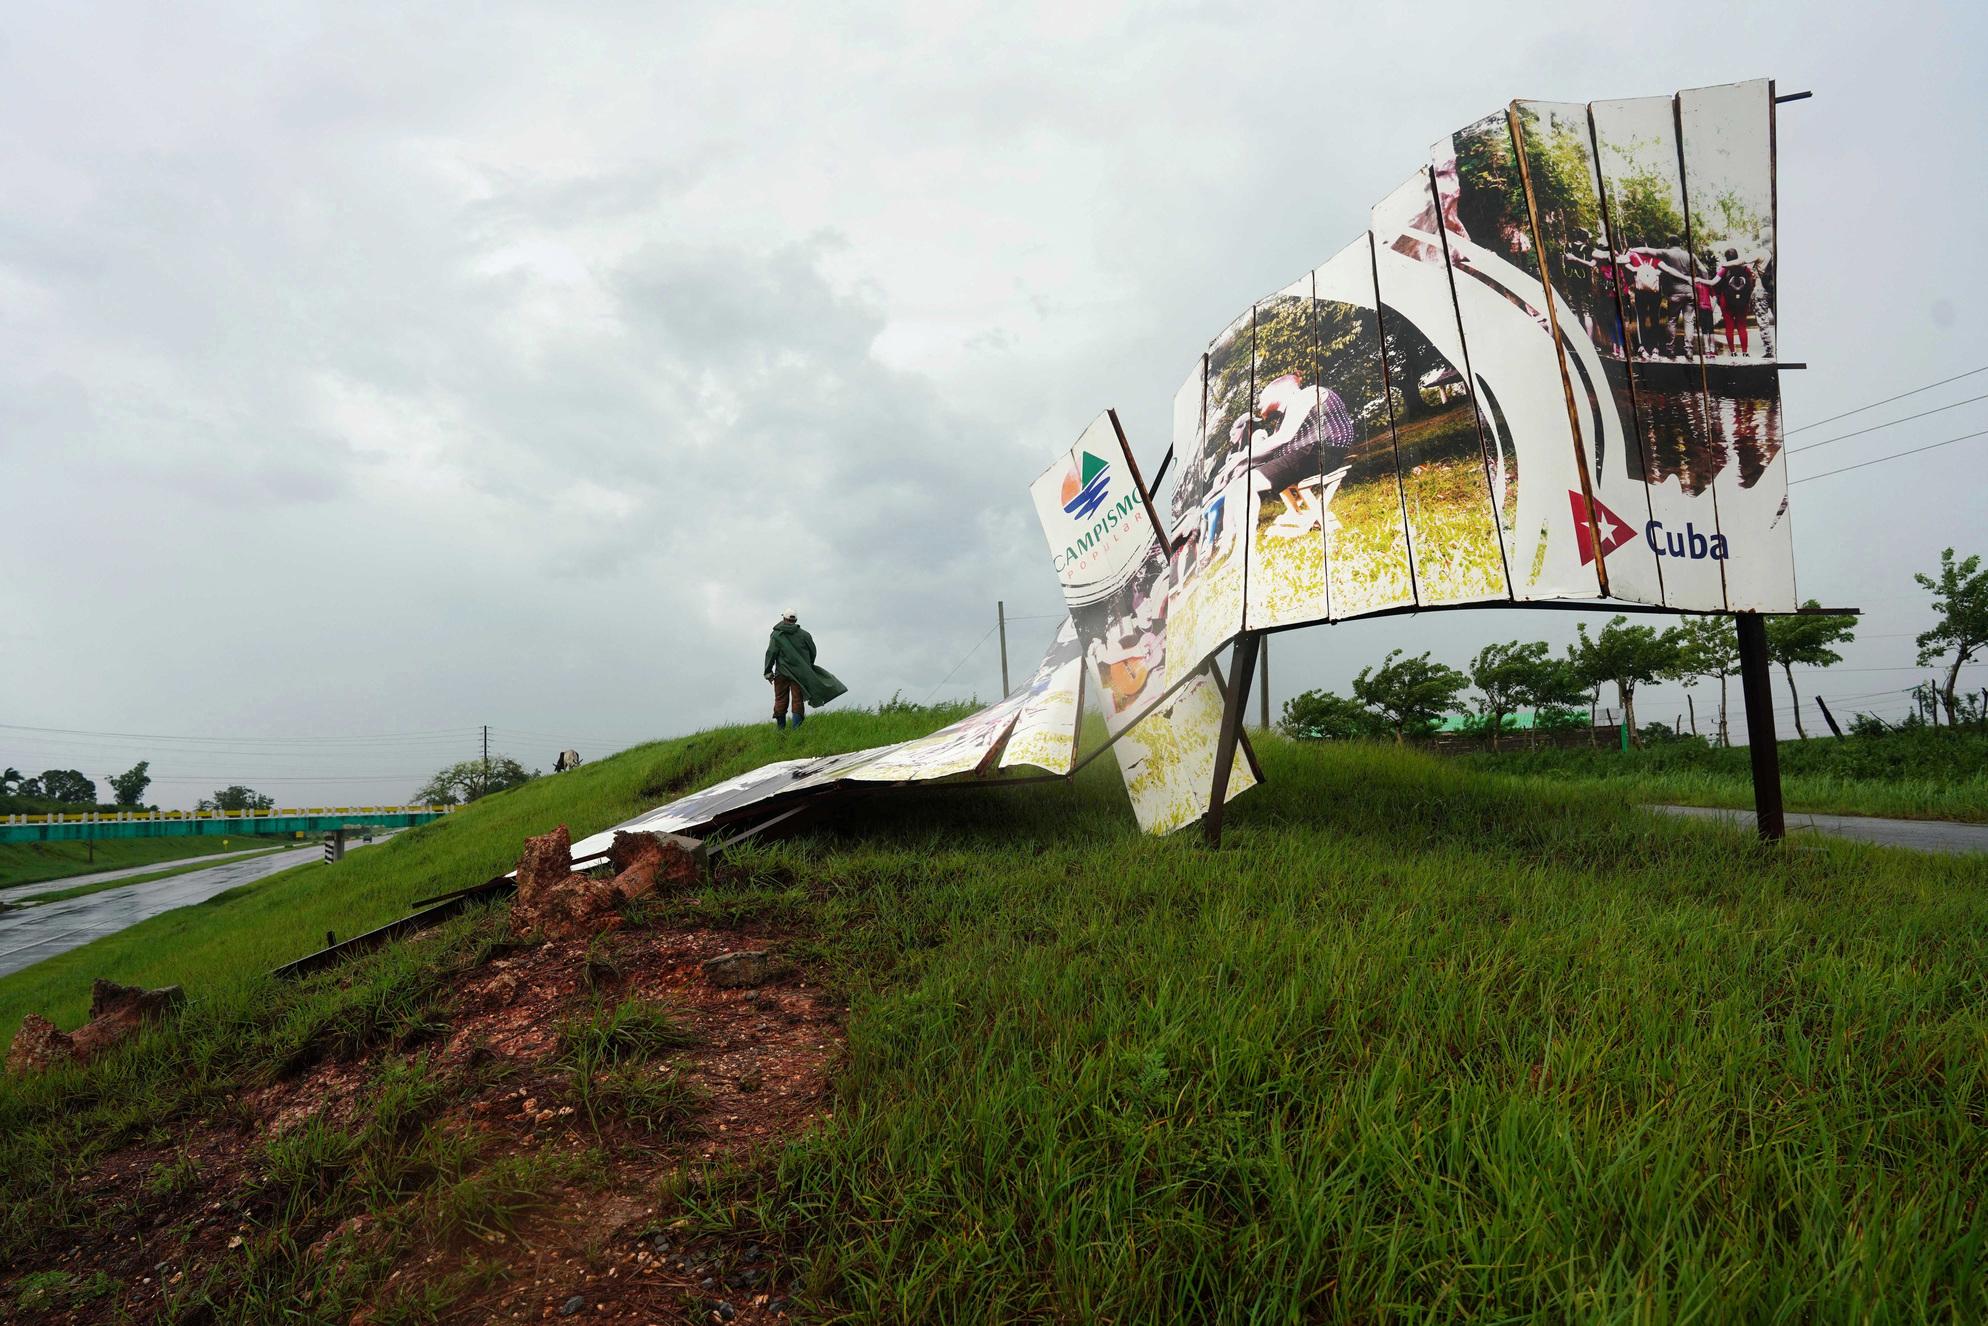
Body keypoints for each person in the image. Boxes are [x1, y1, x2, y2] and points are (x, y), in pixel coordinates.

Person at [763, 611, 848, 730]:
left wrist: (768, 672)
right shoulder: (805, 635)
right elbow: (813, 652)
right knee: (797, 700)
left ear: (784, 618)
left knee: (780, 699)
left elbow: (771, 653)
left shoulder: (776, 635)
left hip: (781, 673)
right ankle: (796, 729)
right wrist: (806, 665)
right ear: (795, 620)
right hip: (799, 674)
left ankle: (780, 729)